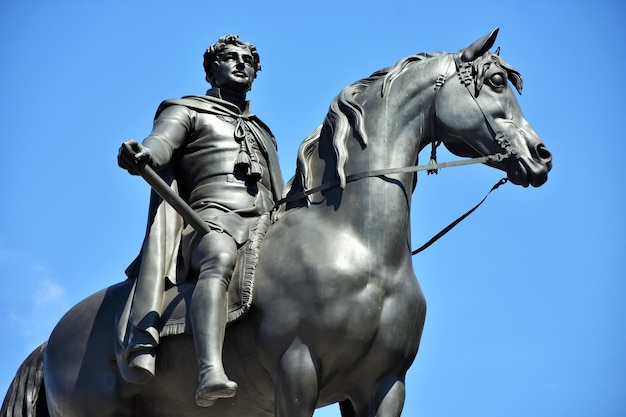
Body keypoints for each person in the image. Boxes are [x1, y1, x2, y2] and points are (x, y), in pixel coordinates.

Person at [118, 34, 284, 407]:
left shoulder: (264, 132)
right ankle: (210, 370)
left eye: (248, 60)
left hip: (265, 224)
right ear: (212, 69)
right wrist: (144, 153)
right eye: (230, 57)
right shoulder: (186, 109)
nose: (241, 63)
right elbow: (160, 144)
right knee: (219, 257)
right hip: (209, 219)